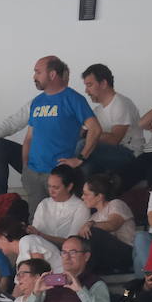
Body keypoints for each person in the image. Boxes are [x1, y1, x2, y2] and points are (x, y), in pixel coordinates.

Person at [21, 56, 100, 207]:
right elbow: (29, 137)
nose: (34, 77)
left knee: (63, 220)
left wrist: (80, 159)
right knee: (36, 222)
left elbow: (95, 129)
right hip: (33, 173)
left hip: (59, 176)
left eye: (38, 72)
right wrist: (25, 168)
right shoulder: (37, 102)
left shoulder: (73, 99)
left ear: (52, 75)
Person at [81, 63, 143, 175]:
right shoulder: (97, 111)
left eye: (89, 85)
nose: (86, 91)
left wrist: (88, 135)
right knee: (83, 160)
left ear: (104, 83)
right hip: (107, 154)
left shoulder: (121, 104)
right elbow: (81, 132)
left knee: (82, 146)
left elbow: (114, 139)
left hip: (129, 153)